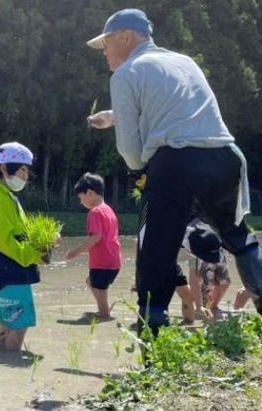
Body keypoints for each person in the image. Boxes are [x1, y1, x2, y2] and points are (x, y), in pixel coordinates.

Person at [86, 8, 262, 332]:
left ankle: (152, 348)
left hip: (177, 163)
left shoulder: (124, 74)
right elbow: (174, 108)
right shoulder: (184, 61)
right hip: (225, 156)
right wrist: (113, 116)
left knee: (156, 253)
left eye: (107, 44)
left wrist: (141, 169)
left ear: (127, 36)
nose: (105, 52)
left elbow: (130, 150)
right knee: (241, 240)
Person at [0, 142, 43, 351]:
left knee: (9, 320)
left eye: (27, 170)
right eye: (22, 169)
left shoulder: (5, 195)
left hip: (7, 269)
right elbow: (3, 241)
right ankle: (9, 358)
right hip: (10, 269)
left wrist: (44, 242)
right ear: (5, 168)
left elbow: (19, 231)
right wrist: (32, 254)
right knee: (20, 321)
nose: (25, 175)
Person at [64, 173, 121, 319]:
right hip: (113, 261)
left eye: (81, 198)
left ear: (89, 193)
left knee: (100, 292)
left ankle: (104, 313)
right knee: (91, 282)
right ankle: (104, 310)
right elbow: (104, 239)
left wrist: (75, 252)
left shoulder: (94, 212)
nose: (81, 202)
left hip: (101, 264)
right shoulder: (109, 210)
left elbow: (95, 237)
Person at [183, 219, 230, 318]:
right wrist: (199, 306)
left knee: (224, 283)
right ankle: (201, 309)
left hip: (215, 241)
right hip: (198, 245)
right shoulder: (191, 243)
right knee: (204, 288)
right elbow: (194, 279)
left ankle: (211, 307)